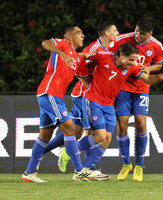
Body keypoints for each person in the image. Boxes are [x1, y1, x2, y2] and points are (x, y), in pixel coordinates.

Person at [77, 42, 163, 182]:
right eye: (131, 60)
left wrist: (159, 76)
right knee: (101, 136)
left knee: (107, 139)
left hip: (109, 104)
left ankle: (85, 170)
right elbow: (82, 57)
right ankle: (71, 150)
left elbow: (147, 78)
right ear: (121, 56)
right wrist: (71, 61)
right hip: (94, 101)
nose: (134, 63)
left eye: (135, 60)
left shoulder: (131, 67)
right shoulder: (103, 56)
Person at [21, 24, 102, 183]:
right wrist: (62, 54)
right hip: (49, 93)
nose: (83, 36)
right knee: (70, 128)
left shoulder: (78, 59)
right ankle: (79, 171)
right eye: (79, 33)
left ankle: (29, 173)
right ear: (69, 37)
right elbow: (45, 43)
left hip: (53, 96)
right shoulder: (63, 45)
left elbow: (86, 79)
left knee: (45, 135)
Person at [41, 21, 119, 180]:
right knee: (96, 134)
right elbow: (79, 65)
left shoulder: (108, 49)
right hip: (87, 96)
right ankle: (86, 170)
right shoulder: (94, 48)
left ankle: (41, 152)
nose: (118, 34)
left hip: (85, 95)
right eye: (115, 31)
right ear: (107, 33)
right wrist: (94, 85)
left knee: (76, 132)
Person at [108, 16, 163, 182]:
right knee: (122, 125)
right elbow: (111, 57)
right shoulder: (122, 39)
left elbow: (158, 64)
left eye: (143, 34)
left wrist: (149, 68)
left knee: (141, 124)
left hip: (142, 87)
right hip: (123, 87)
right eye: (137, 32)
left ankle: (139, 165)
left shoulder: (156, 45)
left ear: (150, 33)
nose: (138, 36)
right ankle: (126, 164)